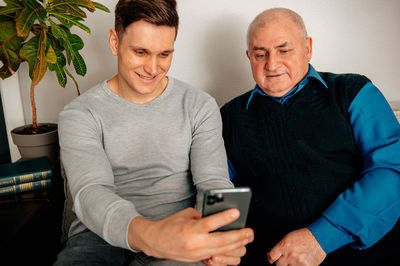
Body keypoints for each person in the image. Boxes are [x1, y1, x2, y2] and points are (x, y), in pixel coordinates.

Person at [55, 0, 254, 265]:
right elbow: (91, 191)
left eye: (164, 54)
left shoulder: (199, 105)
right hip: (96, 241)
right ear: (114, 42)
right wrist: (151, 235)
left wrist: (221, 238)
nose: (152, 69)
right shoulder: (79, 113)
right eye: (140, 52)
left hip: (177, 236)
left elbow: (214, 185)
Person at [221, 7, 400, 266]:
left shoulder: (352, 91)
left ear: (308, 48)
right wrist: (221, 244)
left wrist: (321, 237)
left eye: (284, 50)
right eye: (260, 54)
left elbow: (391, 170)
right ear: (249, 56)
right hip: (276, 258)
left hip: (367, 251)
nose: (272, 64)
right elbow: (220, 187)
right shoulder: (228, 117)